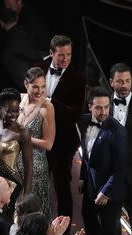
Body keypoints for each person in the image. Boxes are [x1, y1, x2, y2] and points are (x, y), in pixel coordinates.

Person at [39, 35, 85, 225]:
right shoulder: (39, 69)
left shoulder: (77, 78)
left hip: (64, 140)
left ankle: (63, 232)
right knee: (38, 183)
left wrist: (51, 103)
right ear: (51, 54)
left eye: (69, 55)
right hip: (40, 136)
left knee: (62, 187)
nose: (65, 59)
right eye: (61, 55)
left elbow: (75, 114)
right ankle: (37, 225)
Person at [77, 87, 126, 235]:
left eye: (106, 107)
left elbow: (121, 168)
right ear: (90, 107)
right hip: (90, 186)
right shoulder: (83, 122)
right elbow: (87, 155)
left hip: (111, 192)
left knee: (110, 234)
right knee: (89, 221)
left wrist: (106, 192)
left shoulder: (118, 131)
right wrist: (82, 176)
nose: (103, 111)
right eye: (98, 107)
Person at [0, 88, 33, 217]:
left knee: (5, 221)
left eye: (17, 111)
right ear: (0, 109)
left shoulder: (23, 133)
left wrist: (25, 196)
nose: (14, 115)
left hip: (10, 185)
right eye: (9, 111)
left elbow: (29, 167)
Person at [17, 67, 55, 217]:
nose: (40, 91)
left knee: (31, 216)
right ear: (26, 85)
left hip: (35, 168)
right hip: (15, 165)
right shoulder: (20, 100)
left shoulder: (47, 108)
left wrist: (25, 138)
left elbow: (49, 144)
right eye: (35, 87)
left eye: (43, 86)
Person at [109, 63, 132, 235]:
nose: (125, 85)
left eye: (128, 81)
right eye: (120, 81)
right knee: (110, 222)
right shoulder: (101, 104)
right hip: (110, 178)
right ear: (111, 82)